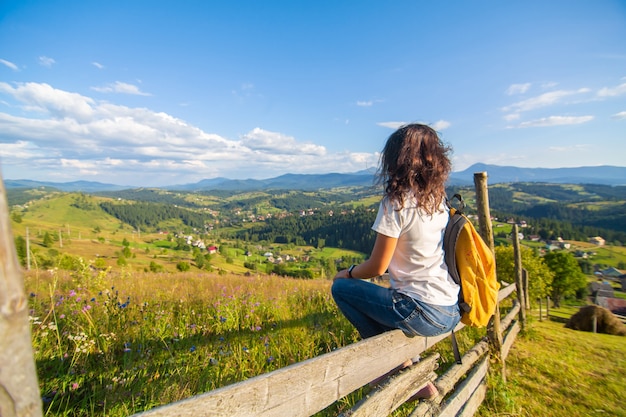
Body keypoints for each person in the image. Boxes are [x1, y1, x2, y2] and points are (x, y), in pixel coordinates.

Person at [331, 123, 460, 398]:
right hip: (451, 309)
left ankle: (390, 369)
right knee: (391, 299)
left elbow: (378, 266)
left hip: (421, 311)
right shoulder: (439, 200)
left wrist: (348, 273)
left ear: (396, 159)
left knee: (340, 289)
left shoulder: (397, 201)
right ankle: (409, 371)